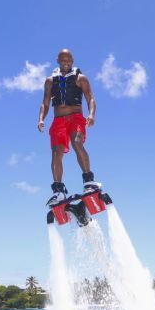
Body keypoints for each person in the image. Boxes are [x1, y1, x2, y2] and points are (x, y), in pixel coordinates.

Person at [37, 49, 101, 206]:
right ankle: (58, 191)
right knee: (56, 152)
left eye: (69, 60)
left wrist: (91, 115)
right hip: (58, 121)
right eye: (63, 60)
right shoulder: (50, 81)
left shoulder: (81, 78)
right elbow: (45, 102)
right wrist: (41, 119)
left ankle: (89, 181)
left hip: (76, 118)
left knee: (77, 142)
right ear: (58, 60)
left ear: (72, 60)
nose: (66, 63)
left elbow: (90, 97)